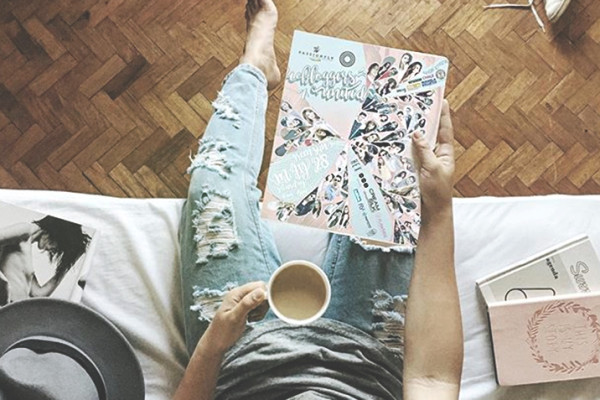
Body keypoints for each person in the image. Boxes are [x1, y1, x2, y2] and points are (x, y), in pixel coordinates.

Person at [173, 0, 463, 399]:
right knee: (385, 167)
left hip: (240, 357)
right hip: (370, 354)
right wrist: (438, 210)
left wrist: (212, 345)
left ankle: (255, 68)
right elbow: (434, 380)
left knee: (211, 182)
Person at [0, 216, 91, 305]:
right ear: (56, 234)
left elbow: (37, 294)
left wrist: (66, 266)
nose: (53, 250)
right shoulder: (25, 229)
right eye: (58, 246)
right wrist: (3, 284)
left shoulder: (25, 251)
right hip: (5, 306)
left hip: (16, 309)